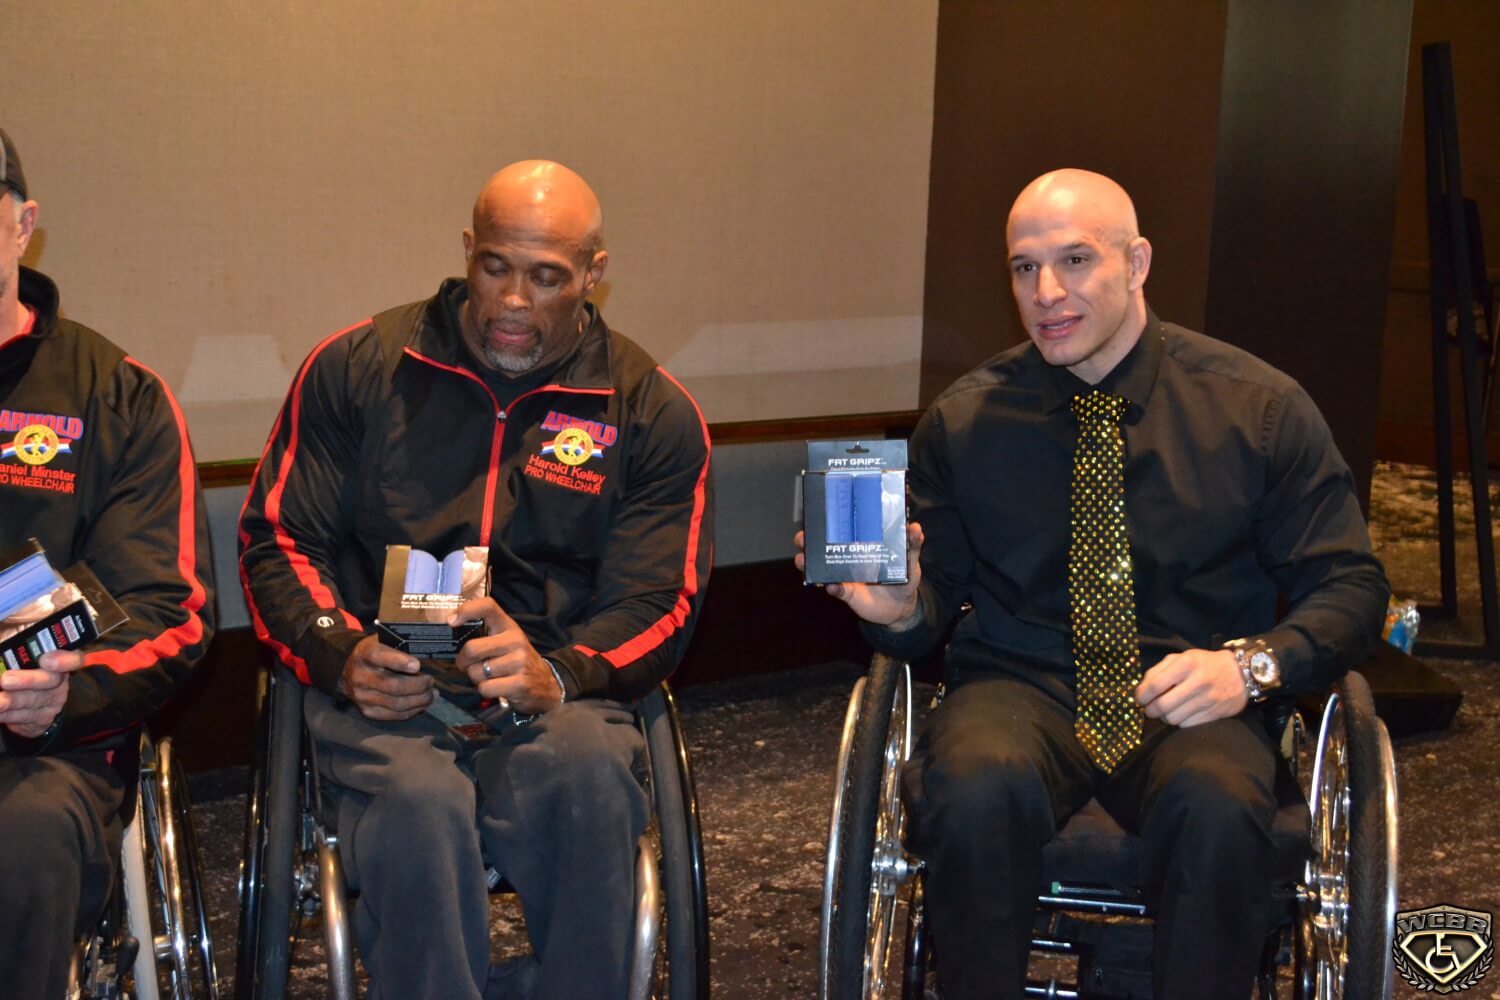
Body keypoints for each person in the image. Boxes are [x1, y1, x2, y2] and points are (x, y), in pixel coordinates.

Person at [799, 169, 1388, 998]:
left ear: (1137, 263)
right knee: (972, 787)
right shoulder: (964, 423)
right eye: (1024, 268)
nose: (1046, 293)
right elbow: (926, 614)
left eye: (1075, 260)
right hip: (1021, 680)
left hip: (1192, 684)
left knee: (1219, 806)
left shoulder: (1257, 411)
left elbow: (1353, 587)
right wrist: (897, 613)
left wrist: (1251, 667)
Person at [239, 160, 713, 1000]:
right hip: (389, 686)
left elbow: (658, 600)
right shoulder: (359, 367)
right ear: (468, 251)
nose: (514, 302)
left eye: (547, 277)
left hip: (555, 696)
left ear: (595, 273)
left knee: (589, 785)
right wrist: (341, 653)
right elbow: (278, 541)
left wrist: (559, 673)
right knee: (417, 808)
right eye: (496, 267)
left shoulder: (648, 409)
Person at [0, 127, 215, 999]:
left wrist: (64, 696)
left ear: (23, 227)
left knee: (24, 839)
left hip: (40, 752)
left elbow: (165, 609)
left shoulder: (116, 394)